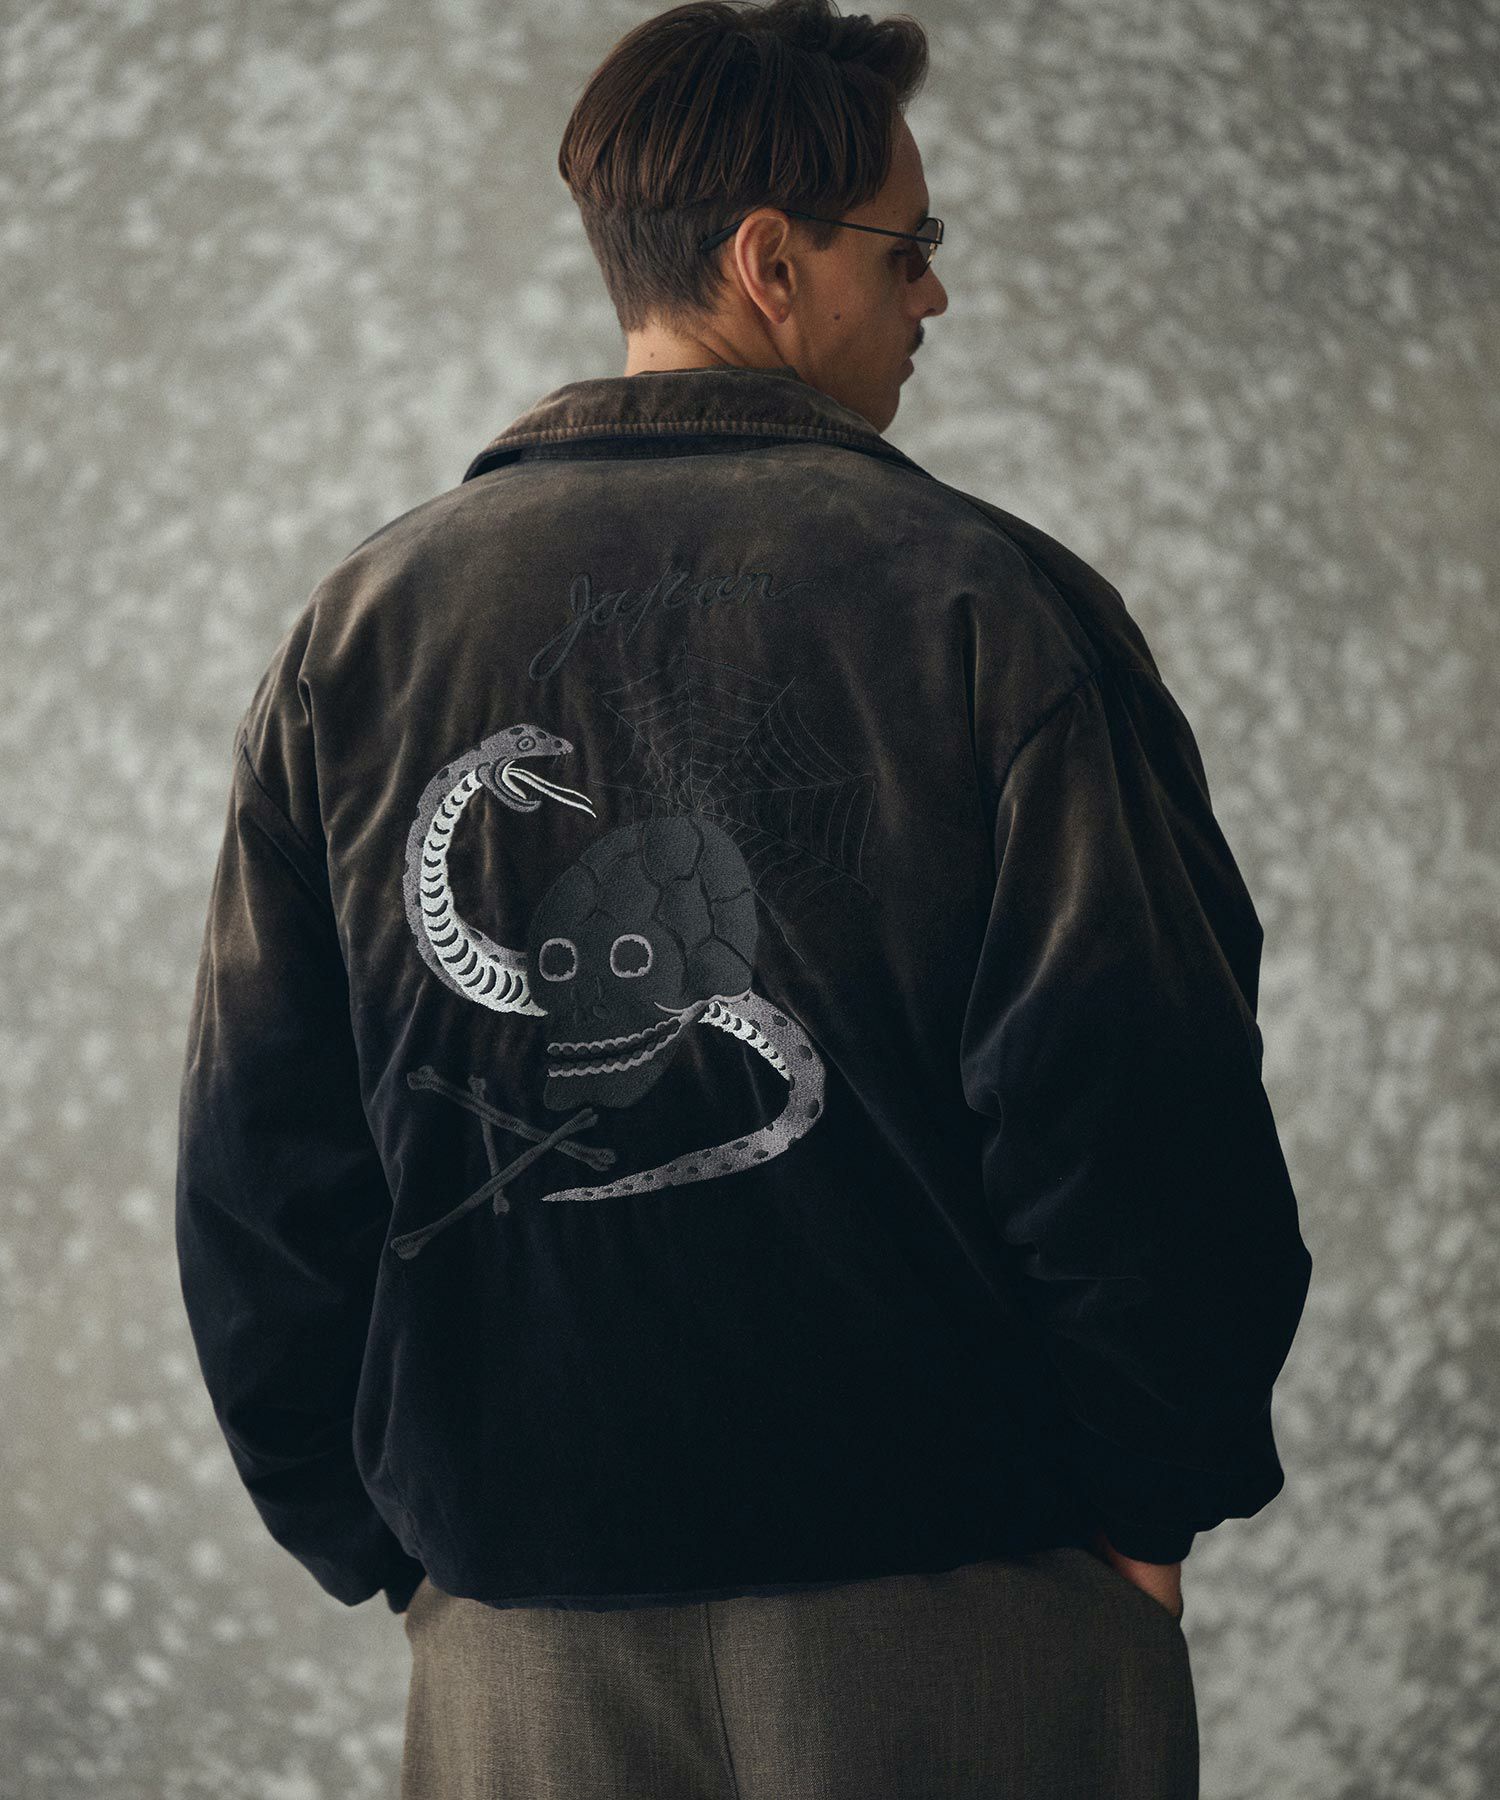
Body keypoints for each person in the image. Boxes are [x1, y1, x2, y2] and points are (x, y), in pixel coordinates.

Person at [173, 2, 1313, 1796]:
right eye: (909, 247)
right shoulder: (992, 608)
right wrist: (1148, 1499)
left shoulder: (357, 637)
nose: (937, 293)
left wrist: (395, 1546)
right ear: (772, 263)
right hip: (968, 1615)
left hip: (522, 1651)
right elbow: (1140, 1093)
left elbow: (260, 1163)